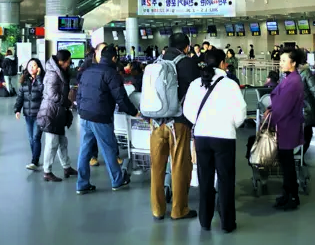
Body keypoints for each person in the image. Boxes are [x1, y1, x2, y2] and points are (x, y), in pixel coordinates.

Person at [183, 48, 246, 233]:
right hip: (224, 137)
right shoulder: (230, 84)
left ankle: (205, 220)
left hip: (202, 137)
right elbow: (240, 113)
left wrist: (201, 123)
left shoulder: (196, 84)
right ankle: (227, 223)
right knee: (225, 180)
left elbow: (187, 111)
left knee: (205, 179)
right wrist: (230, 124)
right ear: (222, 63)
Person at [149, 33, 201, 221]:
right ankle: (179, 210)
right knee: (179, 165)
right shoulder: (188, 63)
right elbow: (198, 90)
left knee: (157, 167)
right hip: (178, 122)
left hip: (155, 123)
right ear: (186, 47)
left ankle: (157, 209)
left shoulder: (156, 61)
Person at [75, 46, 137, 194]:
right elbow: (121, 97)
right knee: (108, 149)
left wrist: (81, 110)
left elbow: (78, 94)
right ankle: (117, 181)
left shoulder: (87, 71)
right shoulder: (111, 73)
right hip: (101, 117)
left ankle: (82, 184)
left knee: (85, 150)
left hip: (85, 115)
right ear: (114, 58)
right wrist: (134, 112)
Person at [269, 48, 306, 211]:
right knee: (286, 163)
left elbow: (283, 107)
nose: (281, 63)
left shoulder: (293, 82)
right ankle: (287, 193)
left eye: (284, 60)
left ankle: (292, 196)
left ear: (294, 63)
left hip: (287, 126)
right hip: (285, 125)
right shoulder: (290, 78)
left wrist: (271, 119)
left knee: (288, 164)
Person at [37, 50, 78, 182]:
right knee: (52, 143)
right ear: (62, 61)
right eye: (68, 61)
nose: (69, 64)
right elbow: (52, 95)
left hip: (58, 112)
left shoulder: (59, 72)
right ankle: (47, 171)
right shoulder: (52, 74)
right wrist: (67, 101)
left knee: (62, 141)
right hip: (51, 112)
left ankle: (66, 167)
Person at [15, 58, 45, 170]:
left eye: (34, 65)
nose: (32, 67)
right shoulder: (24, 80)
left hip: (39, 114)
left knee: (36, 137)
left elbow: (43, 90)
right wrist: (17, 109)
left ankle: (34, 161)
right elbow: (20, 97)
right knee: (31, 138)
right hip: (28, 114)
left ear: (38, 68)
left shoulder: (42, 80)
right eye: (30, 65)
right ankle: (35, 157)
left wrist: (38, 77)